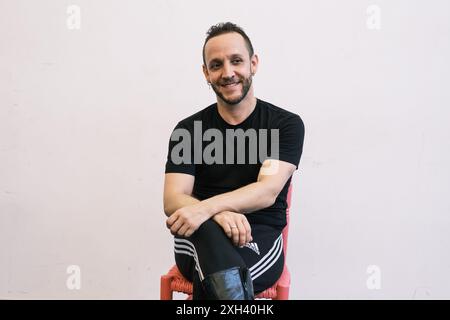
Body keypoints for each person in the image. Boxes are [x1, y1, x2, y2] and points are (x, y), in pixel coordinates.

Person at [163, 22, 305, 300]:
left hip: (258, 235)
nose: (228, 73)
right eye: (216, 65)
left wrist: (207, 208)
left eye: (236, 61)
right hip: (198, 232)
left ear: (253, 63)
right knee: (223, 275)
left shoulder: (283, 125)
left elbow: (266, 191)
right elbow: (172, 198)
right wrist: (215, 215)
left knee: (224, 280)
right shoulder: (188, 130)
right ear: (206, 73)